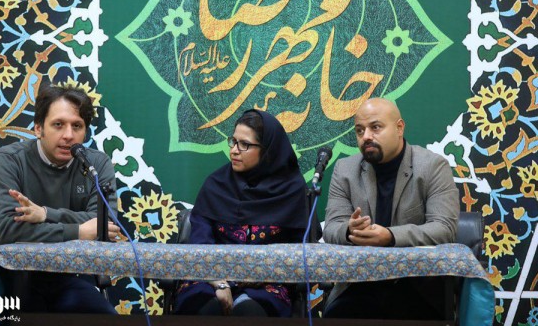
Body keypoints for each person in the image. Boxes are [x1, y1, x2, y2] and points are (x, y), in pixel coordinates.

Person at [0, 84, 120, 314]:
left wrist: (45, 214)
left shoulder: (96, 165)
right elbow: (9, 231)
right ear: (38, 128)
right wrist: (79, 231)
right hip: (1, 276)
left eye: (77, 126)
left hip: (60, 278)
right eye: (58, 125)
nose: (68, 135)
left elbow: (104, 226)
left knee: (106, 318)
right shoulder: (8, 160)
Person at [323, 98, 459, 319]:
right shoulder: (345, 170)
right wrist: (349, 230)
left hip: (416, 286)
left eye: (375, 127)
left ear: (399, 128)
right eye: (359, 130)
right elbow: (331, 228)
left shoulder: (432, 166)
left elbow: (444, 228)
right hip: (359, 284)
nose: (366, 136)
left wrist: (390, 236)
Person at [173, 109, 308, 317]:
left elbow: (299, 253)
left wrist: (261, 275)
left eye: (244, 144)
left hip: (266, 284)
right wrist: (218, 283)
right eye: (233, 142)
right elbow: (200, 243)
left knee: (248, 312)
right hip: (210, 277)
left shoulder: (292, 191)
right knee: (207, 308)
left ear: (268, 150)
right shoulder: (216, 185)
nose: (234, 150)